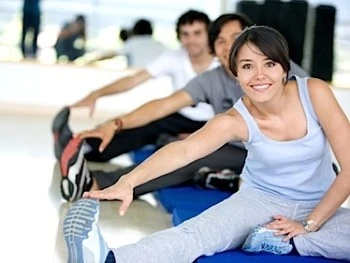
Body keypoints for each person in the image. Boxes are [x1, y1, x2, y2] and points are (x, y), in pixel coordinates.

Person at [63, 25, 350, 262]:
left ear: (285, 69)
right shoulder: (235, 120)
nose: (260, 75)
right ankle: (108, 258)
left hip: (323, 202)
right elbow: (183, 151)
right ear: (236, 75)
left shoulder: (314, 92)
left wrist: (308, 225)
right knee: (198, 234)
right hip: (261, 199)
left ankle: (284, 240)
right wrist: (129, 181)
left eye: (269, 63)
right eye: (248, 66)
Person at [57, 14, 309, 202]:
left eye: (236, 37)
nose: (227, 46)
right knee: (184, 152)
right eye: (219, 41)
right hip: (238, 149)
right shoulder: (210, 79)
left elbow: (316, 114)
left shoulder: (280, 68)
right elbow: (163, 105)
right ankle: (96, 181)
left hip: (286, 155)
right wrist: (114, 123)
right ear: (214, 49)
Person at [53, 10, 217, 161]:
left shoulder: (221, 61)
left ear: (208, 34)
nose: (191, 40)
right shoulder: (173, 57)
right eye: (185, 34)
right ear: (179, 36)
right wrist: (96, 94)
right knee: (136, 124)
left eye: (197, 33)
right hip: (179, 116)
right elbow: (133, 80)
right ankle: (81, 148)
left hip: (215, 122)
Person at [89, 19, 168, 67]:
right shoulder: (160, 45)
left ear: (135, 30)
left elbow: (112, 54)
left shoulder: (133, 43)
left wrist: (90, 61)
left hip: (136, 77)